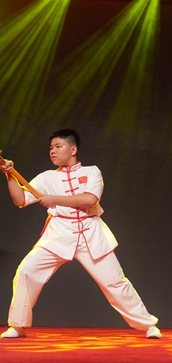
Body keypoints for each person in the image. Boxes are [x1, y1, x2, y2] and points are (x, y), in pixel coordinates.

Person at [0, 128, 161, 339]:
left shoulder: (92, 172)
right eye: (51, 148)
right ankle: (18, 325)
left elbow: (89, 200)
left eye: (58, 147)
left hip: (91, 233)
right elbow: (20, 200)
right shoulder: (46, 177)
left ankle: (148, 325)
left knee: (115, 282)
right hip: (59, 233)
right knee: (26, 271)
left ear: (73, 149)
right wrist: (9, 174)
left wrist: (54, 199)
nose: (53, 151)